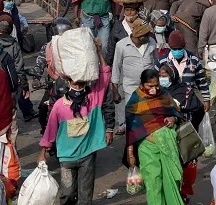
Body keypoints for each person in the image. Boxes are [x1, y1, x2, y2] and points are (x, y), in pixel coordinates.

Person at [38, 60, 114, 205]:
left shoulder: (93, 100)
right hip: (66, 157)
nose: (78, 87)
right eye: (74, 83)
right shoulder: (59, 106)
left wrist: (98, 52)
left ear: (85, 83)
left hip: (87, 155)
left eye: (81, 84)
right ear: (68, 83)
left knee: (85, 196)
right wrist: (43, 152)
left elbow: (105, 74)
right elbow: (50, 130)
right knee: (67, 194)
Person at [125, 68, 183, 205]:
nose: (154, 89)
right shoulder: (135, 100)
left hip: (168, 146)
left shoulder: (164, 94)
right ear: (142, 84)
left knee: (171, 181)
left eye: (156, 85)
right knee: (154, 184)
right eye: (150, 86)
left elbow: (175, 111)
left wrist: (173, 119)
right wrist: (130, 153)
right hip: (147, 147)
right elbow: (131, 129)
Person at [112, 20, 157, 134]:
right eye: (146, 34)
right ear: (139, 36)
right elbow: (116, 67)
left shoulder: (151, 42)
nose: (149, 36)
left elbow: (156, 63)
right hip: (130, 88)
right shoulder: (121, 45)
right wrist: (115, 90)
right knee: (133, 119)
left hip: (149, 87)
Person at [157, 32, 209, 127]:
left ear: (184, 46)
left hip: (189, 102)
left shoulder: (193, 60)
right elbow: (155, 80)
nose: (177, 51)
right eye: (174, 49)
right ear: (170, 47)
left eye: (179, 49)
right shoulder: (162, 60)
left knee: (191, 130)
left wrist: (206, 99)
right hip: (169, 103)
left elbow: (201, 81)